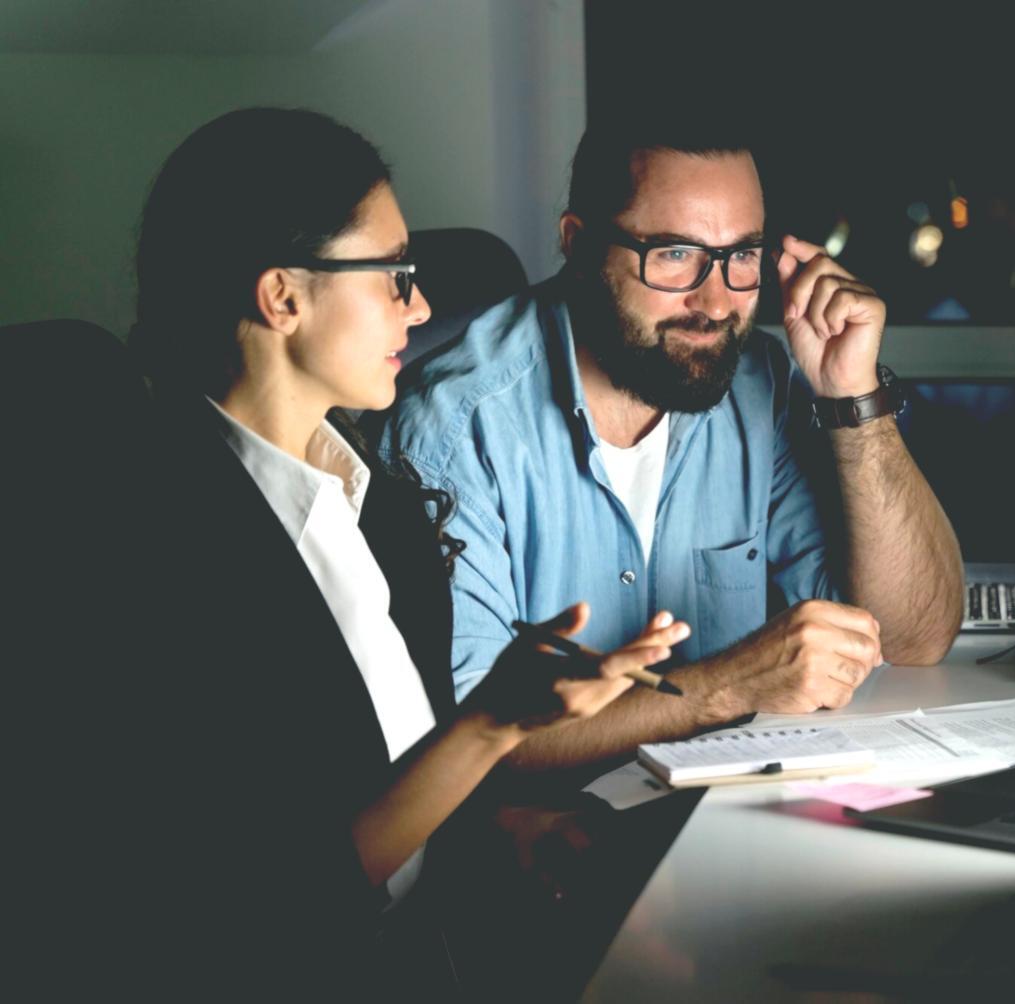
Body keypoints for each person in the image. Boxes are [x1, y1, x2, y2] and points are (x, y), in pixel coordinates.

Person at [72, 107, 689, 996]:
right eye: (395, 275)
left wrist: (503, 830)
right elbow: (264, 908)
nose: (424, 304)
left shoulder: (381, 505)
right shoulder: (144, 548)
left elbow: (400, 792)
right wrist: (491, 727)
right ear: (282, 295)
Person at [383, 119, 964, 770]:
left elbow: (911, 638)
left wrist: (852, 399)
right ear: (578, 245)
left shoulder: (755, 384)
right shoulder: (452, 427)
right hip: (552, 845)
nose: (714, 303)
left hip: (728, 818)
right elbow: (465, 748)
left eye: (740, 255)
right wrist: (729, 685)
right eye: (674, 254)